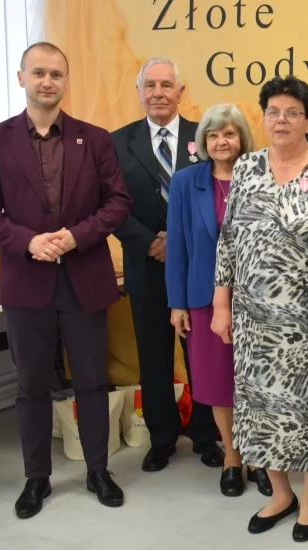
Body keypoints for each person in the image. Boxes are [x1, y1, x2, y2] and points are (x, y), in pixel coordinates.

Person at [0, 41, 130, 518]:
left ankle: (98, 471)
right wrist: (27, 241)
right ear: (21, 77)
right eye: (38, 72)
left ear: (66, 81)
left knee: (92, 382)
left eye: (56, 74)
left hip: (84, 277)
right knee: (31, 385)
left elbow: (117, 202)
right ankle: (36, 477)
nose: (47, 81)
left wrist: (77, 236)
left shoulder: (94, 138)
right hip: (26, 280)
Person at [212, 76, 308, 541]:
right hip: (252, 318)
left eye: (293, 112)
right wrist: (221, 303)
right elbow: (228, 240)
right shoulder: (248, 167)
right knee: (260, 407)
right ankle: (280, 492)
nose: (281, 120)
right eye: (273, 111)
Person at [111, 58, 224, 473]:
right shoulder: (116, 142)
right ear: (139, 91)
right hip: (145, 266)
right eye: (150, 85)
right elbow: (110, 205)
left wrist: (178, 241)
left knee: (201, 356)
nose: (158, 92)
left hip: (197, 269)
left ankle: (206, 434)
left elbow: (218, 195)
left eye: (166, 85)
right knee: (153, 358)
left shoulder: (205, 136)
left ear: (180, 91)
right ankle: (161, 438)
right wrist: (150, 243)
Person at [165, 103, 272, 497]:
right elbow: (177, 246)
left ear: (242, 137)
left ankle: (260, 458)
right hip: (204, 299)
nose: (221, 141)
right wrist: (177, 303)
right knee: (218, 381)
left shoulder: (263, 175)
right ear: (203, 141)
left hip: (259, 299)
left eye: (229, 133)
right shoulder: (185, 182)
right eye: (213, 135)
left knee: (257, 382)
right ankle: (232, 456)